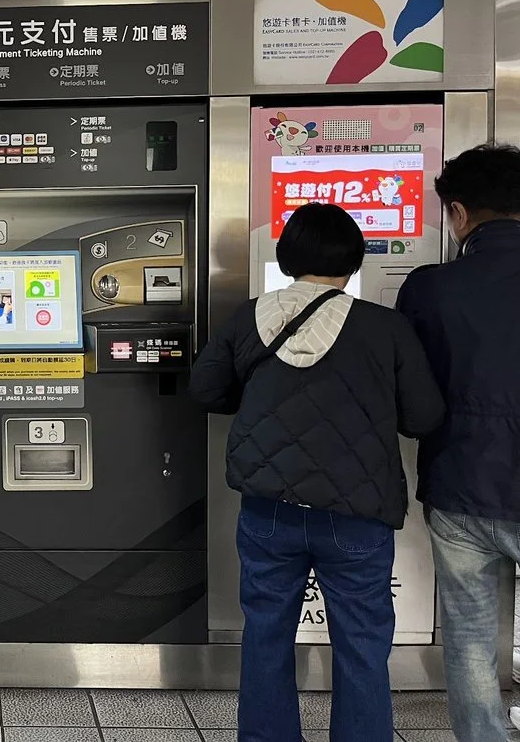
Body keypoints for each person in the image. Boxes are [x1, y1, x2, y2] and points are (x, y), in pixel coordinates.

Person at [190, 203, 445, 742]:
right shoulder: (385, 327)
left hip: (269, 510)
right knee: (362, 644)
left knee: (265, 635)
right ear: (353, 262)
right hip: (356, 514)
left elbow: (205, 390)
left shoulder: (250, 317)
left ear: (287, 259)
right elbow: (423, 417)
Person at [396, 144, 520, 742]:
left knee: (469, 635)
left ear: (460, 213)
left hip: (460, 481)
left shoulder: (430, 289)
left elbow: (410, 393)